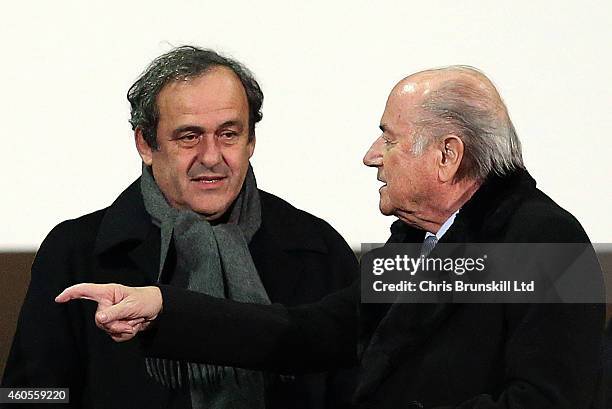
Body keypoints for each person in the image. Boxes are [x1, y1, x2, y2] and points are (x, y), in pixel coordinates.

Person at [56, 66, 606, 408]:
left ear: (447, 155)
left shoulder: (545, 241)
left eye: (388, 138)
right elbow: (311, 332)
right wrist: (163, 308)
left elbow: (550, 401)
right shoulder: (417, 243)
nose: (371, 155)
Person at [2, 46, 358, 409]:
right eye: (189, 136)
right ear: (145, 143)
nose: (210, 156)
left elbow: (359, 388)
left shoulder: (317, 246)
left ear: (251, 140)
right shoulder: (75, 251)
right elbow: (29, 394)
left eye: (229, 134)